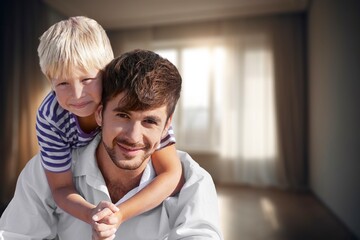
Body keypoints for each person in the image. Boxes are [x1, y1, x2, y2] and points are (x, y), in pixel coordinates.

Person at [0, 49, 223, 240]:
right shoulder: (44, 171)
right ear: (100, 114)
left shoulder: (195, 182)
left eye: (150, 121)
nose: (134, 137)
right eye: (123, 115)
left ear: (166, 127)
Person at [35, 16, 184, 231]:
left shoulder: (133, 99)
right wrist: (91, 214)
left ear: (106, 71)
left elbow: (170, 174)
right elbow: (61, 188)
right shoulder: (51, 117)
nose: (77, 95)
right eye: (63, 83)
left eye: (87, 79)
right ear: (50, 82)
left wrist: (121, 213)